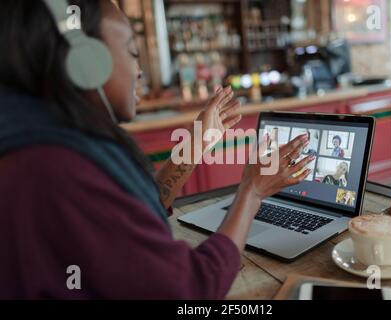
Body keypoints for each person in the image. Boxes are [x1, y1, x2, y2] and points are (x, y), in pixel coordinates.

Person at [0, 0, 314, 299]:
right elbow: (189, 290)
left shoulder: (42, 139)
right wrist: (252, 192)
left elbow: (140, 205)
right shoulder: (61, 168)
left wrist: (198, 142)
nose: (139, 71)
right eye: (131, 51)